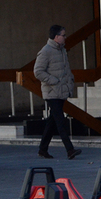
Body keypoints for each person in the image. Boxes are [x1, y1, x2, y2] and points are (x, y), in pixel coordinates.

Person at [34, 25, 82, 160]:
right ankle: (70, 149)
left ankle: (42, 149)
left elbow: (65, 70)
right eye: (63, 35)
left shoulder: (62, 50)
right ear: (56, 37)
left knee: (52, 121)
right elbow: (38, 71)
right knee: (60, 121)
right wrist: (53, 81)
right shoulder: (46, 51)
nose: (65, 37)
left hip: (61, 91)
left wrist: (69, 81)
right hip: (51, 92)